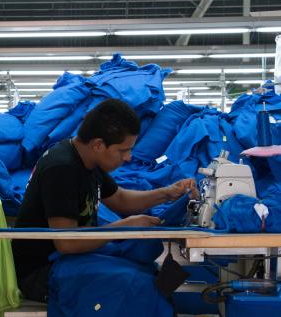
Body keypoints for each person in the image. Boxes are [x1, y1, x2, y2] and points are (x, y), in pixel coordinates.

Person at [12, 98, 199, 303]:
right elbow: (66, 242)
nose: (128, 157)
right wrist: (123, 227)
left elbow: (120, 199)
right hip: (41, 273)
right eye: (122, 150)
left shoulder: (88, 161)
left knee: (149, 272)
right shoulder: (62, 168)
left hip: (67, 261)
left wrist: (166, 193)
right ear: (98, 145)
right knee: (139, 286)